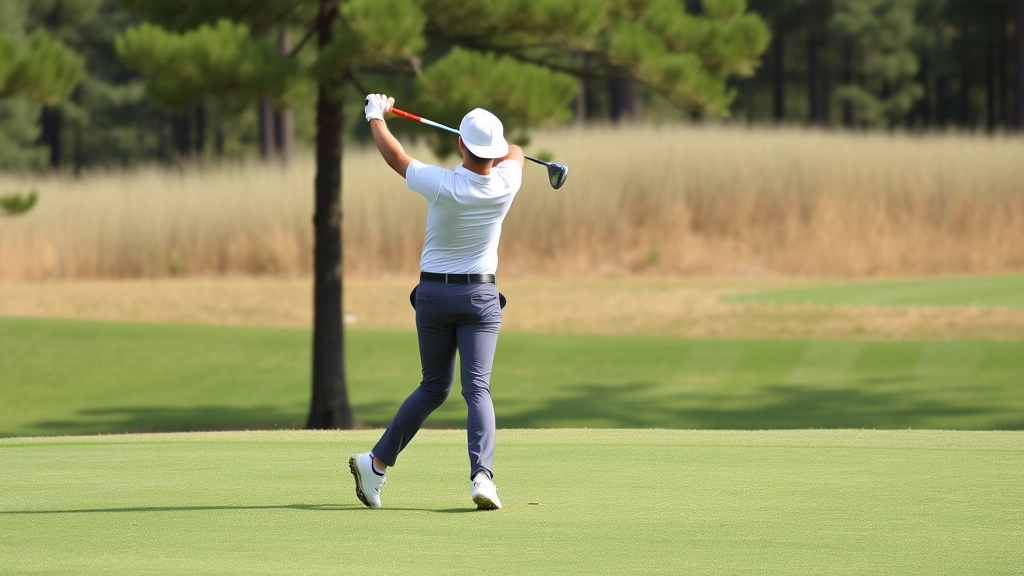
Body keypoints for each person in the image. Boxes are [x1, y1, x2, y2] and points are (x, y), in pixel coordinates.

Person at [349, 94, 525, 511]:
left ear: (460, 146)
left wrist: (377, 114)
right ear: (494, 153)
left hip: (433, 296)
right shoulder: (508, 182)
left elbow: (396, 156)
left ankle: (375, 464)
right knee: (476, 387)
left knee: (433, 387)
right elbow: (515, 151)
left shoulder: (442, 183)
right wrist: (495, 148)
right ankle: (482, 477)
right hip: (481, 298)